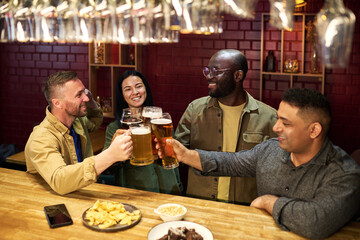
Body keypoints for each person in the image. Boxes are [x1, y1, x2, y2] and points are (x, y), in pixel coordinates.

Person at [159, 88, 360, 239]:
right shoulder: (270, 150)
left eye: (286, 123)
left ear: (314, 130)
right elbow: (230, 162)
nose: (276, 127)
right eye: (278, 119)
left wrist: (268, 202)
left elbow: (316, 222)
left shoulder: (345, 174)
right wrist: (184, 154)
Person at [175, 49, 277, 204]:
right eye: (208, 70)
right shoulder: (195, 110)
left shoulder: (269, 118)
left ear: (238, 76)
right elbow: (175, 156)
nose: (209, 76)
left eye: (216, 71)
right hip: (200, 205)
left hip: (245, 210)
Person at [25, 71, 133, 195]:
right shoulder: (40, 138)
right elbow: (60, 181)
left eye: (85, 92)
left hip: (81, 194)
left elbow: (95, 122)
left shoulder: (76, 120)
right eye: (79, 95)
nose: (86, 98)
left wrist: (91, 102)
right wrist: (110, 155)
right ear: (57, 103)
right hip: (55, 204)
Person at [103, 69, 182, 194]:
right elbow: (108, 169)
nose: (135, 92)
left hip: (168, 190)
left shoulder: (161, 121)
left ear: (146, 89)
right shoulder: (115, 128)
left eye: (138, 86)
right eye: (128, 89)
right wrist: (114, 150)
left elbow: (172, 157)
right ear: (122, 94)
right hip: (136, 193)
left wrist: (178, 185)